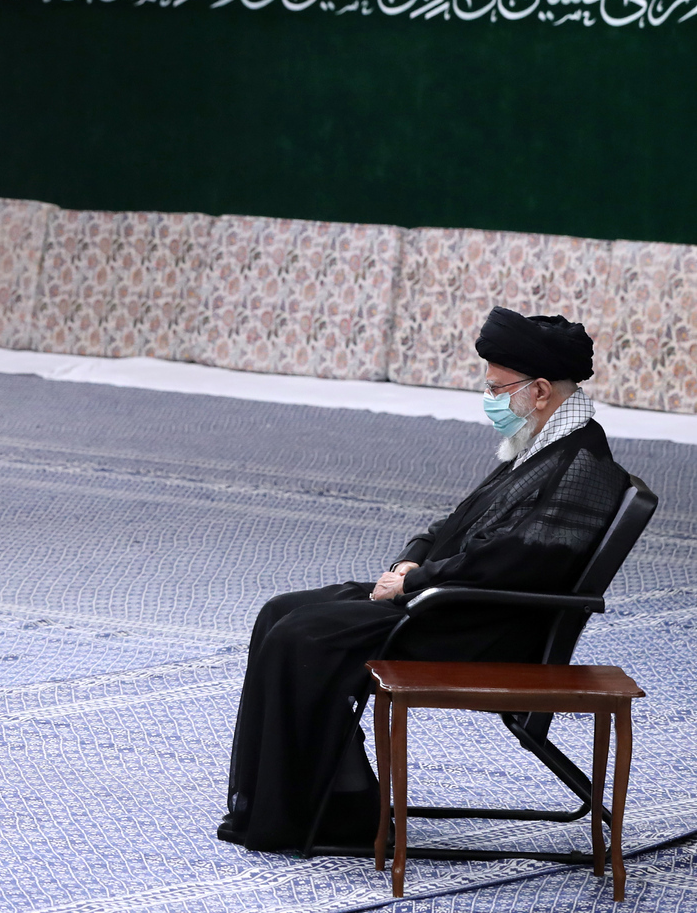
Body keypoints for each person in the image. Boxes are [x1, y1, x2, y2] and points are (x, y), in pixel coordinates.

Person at [216, 307, 630, 852]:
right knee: (281, 611)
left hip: (481, 628)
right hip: (452, 600)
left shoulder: (582, 463)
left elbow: (511, 562)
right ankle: (319, 798)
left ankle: (336, 808)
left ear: (540, 391)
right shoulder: (546, 440)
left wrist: (417, 584)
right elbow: (456, 523)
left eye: (497, 388)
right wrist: (410, 564)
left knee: (304, 635)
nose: (490, 398)